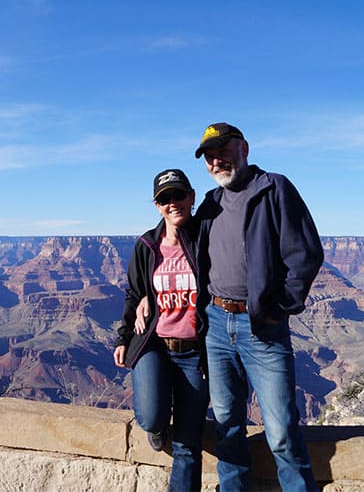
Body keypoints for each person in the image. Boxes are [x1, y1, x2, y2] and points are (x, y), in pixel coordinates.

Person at [193, 122, 324, 492]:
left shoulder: (274, 188)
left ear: (244, 147)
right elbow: (180, 250)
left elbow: (306, 253)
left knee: (281, 427)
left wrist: (279, 305)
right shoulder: (210, 203)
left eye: (223, 150)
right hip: (216, 325)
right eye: (209, 156)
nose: (217, 160)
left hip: (261, 325)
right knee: (227, 423)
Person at [113, 168, 209, 492]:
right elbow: (133, 291)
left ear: (191, 197)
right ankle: (156, 427)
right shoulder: (146, 246)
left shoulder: (204, 241)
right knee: (152, 418)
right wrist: (125, 336)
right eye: (164, 198)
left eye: (178, 195)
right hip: (154, 344)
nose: (173, 203)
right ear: (157, 205)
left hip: (194, 351)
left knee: (187, 443)